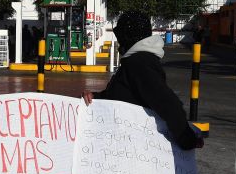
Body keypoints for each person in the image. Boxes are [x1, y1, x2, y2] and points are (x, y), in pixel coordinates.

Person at [81, 10, 202, 150]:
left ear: (127, 36)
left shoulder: (139, 62)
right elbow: (123, 94)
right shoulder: (135, 60)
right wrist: (95, 97)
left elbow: (167, 103)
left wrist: (186, 139)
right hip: (124, 145)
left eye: (120, 35)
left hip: (135, 148)